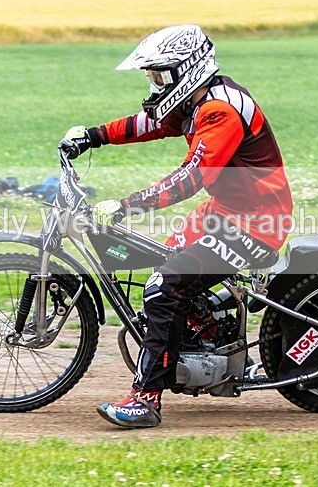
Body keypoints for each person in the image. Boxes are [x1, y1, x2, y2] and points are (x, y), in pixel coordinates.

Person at [59, 25, 294, 428]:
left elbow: (191, 177)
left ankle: (145, 400)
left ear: (188, 69)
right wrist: (93, 136)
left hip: (255, 224)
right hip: (226, 212)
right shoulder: (196, 101)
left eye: (159, 75)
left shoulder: (221, 111)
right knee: (165, 261)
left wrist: (127, 205)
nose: (154, 85)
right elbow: (149, 124)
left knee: (162, 286)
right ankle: (206, 340)